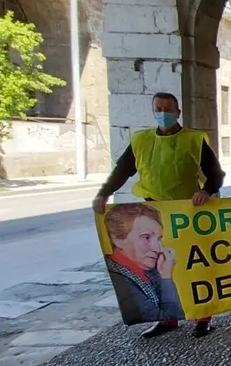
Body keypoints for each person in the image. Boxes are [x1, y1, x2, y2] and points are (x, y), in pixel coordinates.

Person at [93, 92, 223, 338]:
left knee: (194, 265)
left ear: (178, 112)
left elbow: (215, 173)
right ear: (153, 111)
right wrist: (104, 193)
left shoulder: (194, 140)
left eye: (168, 109)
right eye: (159, 108)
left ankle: (203, 316)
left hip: (186, 212)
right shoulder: (141, 141)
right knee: (158, 265)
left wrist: (206, 191)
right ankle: (167, 318)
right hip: (153, 212)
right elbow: (122, 171)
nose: (163, 113)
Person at [103, 203, 185, 325]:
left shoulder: (146, 268)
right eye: (146, 237)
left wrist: (163, 274)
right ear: (118, 239)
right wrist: (166, 277)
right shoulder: (119, 277)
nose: (157, 248)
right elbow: (171, 315)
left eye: (158, 239)